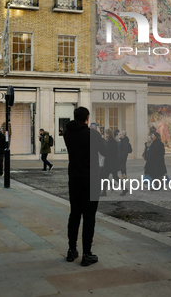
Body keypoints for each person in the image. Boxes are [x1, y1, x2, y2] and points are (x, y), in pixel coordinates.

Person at [63, 107, 108, 267]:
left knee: (74, 214)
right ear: (87, 118)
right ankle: (87, 253)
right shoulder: (92, 134)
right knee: (89, 217)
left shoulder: (67, 133)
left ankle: (71, 250)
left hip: (74, 178)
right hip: (91, 179)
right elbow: (105, 151)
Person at [100, 128, 119, 196]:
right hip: (109, 162)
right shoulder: (109, 141)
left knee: (113, 176)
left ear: (108, 134)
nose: (104, 134)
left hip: (111, 162)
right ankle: (104, 191)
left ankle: (104, 192)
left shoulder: (112, 141)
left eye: (105, 133)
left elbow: (112, 153)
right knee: (107, 176)